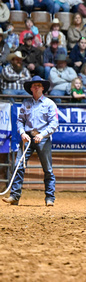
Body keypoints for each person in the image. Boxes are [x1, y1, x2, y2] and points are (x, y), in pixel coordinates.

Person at [2, 76, 58, 207]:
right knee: (18, 166)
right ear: (31, 89)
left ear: (43, 88)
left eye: (39, 85)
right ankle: (14, 196)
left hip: (42, 138)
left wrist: (42, 134)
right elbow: (20, 121)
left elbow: (54, 123)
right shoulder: (26, 103)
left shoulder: (50, 104)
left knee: (48, 169)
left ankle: (50, 197)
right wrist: (22, 133)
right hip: (27, 137)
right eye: (34, 85)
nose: (36, 87)